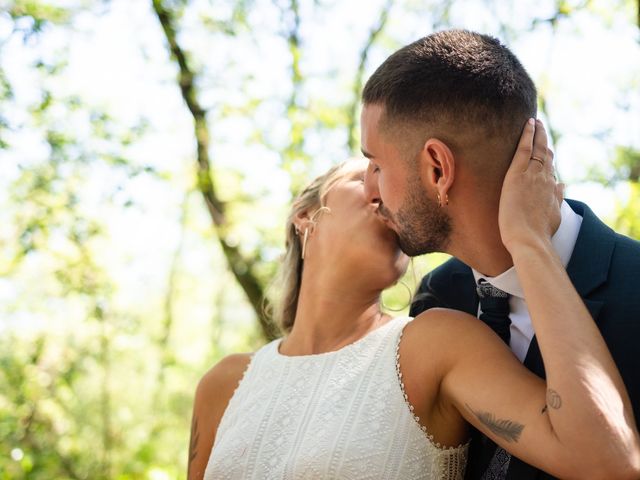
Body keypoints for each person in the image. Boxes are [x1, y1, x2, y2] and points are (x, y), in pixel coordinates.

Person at [187, 123, 639, 479]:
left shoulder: (436, 344)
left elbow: (605, 461)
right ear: (305, 217)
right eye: (363, 173)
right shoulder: (223, 385)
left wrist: (528, 238)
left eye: (383, 174)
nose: (379, 190)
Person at [361, 29, 640, 480]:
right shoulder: (437, 298)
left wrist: (528, 244)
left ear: (437, 168)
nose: (370, 190)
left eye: (376, 164)